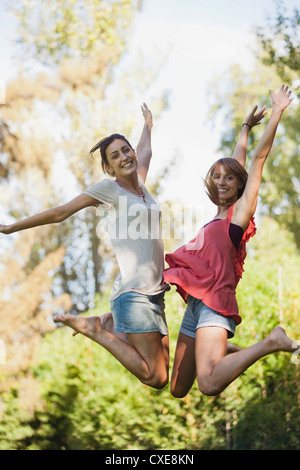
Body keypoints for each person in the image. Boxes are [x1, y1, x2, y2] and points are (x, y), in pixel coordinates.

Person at [0, 104, 170, 389]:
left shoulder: (141, 185)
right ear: (109, 166)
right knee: (157, 377)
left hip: (156, 294)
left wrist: (148, 126)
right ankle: (97, 329)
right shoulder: (109, 190)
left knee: (166, 371)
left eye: (126, 150)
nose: (124, 156)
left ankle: (107, 323)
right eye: (115, 156)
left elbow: (146, 151)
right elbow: (60, 213)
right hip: (134, 294)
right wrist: (10, 228)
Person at [163, 85, 298, 398]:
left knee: (208, 384)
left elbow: (257, 159)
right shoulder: (218, 215)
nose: (221, 182)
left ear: (241, 185)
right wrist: (245, 128)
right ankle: (224, 346)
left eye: (229, 178)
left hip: (216, 303)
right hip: (196, 306)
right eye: (217, 176)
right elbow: (238, 161)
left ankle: (271, 342)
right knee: (178, 389)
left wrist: (277, 111)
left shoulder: (239, 216)